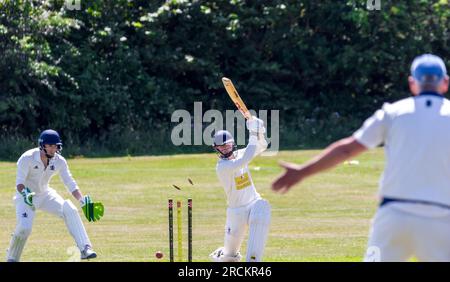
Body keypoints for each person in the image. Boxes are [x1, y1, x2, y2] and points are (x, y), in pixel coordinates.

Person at [272, 54, 450, 262]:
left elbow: (347, 150)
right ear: (444, 83)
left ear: (412, 83)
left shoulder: (392, 113)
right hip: (442, 218)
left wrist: (302, 171)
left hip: (394, 215)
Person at [6, 129, 104, 262]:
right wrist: (25, 193)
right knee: (24, 227)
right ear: (42, 145)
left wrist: (82, 200)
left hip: (45, 194)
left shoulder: (60, 161)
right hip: (26, 196)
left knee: (70, 209)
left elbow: (69, 182)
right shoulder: (27, 158)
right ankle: (12, 258)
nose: (54, 149)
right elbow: (19, 183)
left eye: (56, 146)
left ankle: (85, 248)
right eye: (50, 146)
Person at [210, 117, 271, 262]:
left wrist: (260, 131)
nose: (225, 148)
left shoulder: (240, 154)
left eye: (227, 145)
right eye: (221, 146)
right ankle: (221, 256)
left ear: (232, 144)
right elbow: (244, 160)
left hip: (253, 203)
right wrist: (252, 133)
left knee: (262, 211)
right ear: (217, 149)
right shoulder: (222, 167)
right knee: (230, 256)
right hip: (236, 211)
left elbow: (262, 146)